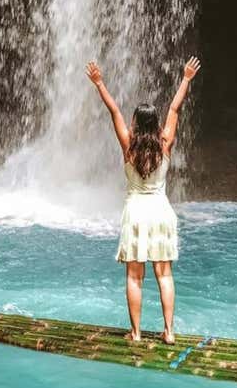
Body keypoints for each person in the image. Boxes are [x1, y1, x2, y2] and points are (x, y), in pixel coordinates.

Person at [85, 56, 202, 344]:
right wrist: (186, 78)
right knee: (164, 275)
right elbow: (175, 107)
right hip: (161, 210)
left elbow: (113, 111)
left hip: (136, 211)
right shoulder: (165, 144)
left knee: (134, 277)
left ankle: (136, 333)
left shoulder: (128, 145)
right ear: (156, 122)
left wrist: (99, 82)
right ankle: (170, 332)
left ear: (136, 122)